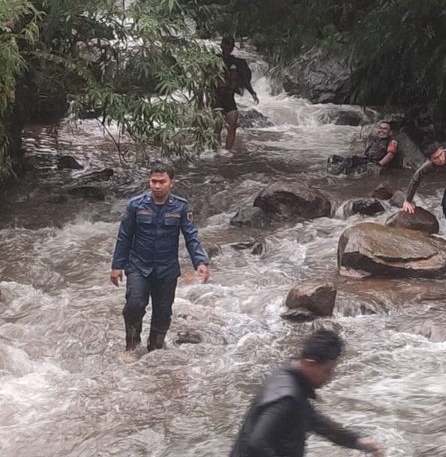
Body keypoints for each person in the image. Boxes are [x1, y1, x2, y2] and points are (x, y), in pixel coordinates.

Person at [229, 329, 384, 457]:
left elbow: (315, 422)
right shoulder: (286, 398)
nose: (330, 376)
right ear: (309, 364)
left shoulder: (290, 379)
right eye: (327, 371)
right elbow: (256, 443)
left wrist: (358, 442)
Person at [110, 164, 210, 358]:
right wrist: (117, 266)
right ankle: (132, 345)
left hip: (167, 268)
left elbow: (191, 236)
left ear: (171, 183)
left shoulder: (181, 206)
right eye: (153, 181)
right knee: (134, 305)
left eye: (162, 182)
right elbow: (124, 236)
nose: (157, 186)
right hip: (139, 266)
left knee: (163, 312)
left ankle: (154, 350)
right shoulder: (136, 205)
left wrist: (201, 262)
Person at [212, 35, 259, 151]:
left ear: (232, 48)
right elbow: (206, 81)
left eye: (229, 47)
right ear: (221, 46)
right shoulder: (213, 61)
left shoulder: (238, 63)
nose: (227, 49)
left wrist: (253, 93)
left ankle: (227, 152)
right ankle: (214, 151)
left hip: (229, 99)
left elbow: (244, 79)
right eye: (225, 46)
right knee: (217, 127)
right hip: (216, 98)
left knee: (232, 126)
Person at [328, 122, 400, 174]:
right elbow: (366, 152)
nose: (382, 130)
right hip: (367, 159)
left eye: (385, 129)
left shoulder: (392, 141)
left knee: (349, 161)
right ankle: (334, 166)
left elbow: (390, 155)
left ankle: (334, 173)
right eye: (380, 128)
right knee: (337, 158)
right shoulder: (376, 140)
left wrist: (378, 165)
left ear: (390, 132)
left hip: (374, 162)